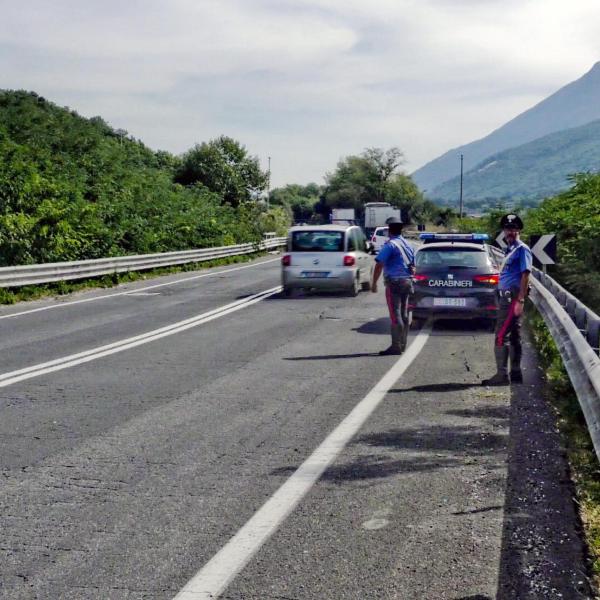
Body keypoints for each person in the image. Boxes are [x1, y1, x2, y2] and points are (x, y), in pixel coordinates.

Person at [482, 213, 532, 385]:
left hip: (512, 299)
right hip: (506, 297)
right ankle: (516, 373)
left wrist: (520, 300)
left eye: (513, 229)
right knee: (514, 335)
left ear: (519, 230)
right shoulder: (509, 250)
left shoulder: (521, 249)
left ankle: (501, 375)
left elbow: (526, 274)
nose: (510, 232)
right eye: (507, 229)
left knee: (501, 335)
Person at [371, 216, 415, 355]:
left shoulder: (390, 245)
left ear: (389, 230)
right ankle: (403, 345)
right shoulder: (408, 245)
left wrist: (374, 283)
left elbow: (379, 264)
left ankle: (396, 346)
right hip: (407, 282)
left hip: (394, 283)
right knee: (404, 313)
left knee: (395, 314)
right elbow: (413, 264)